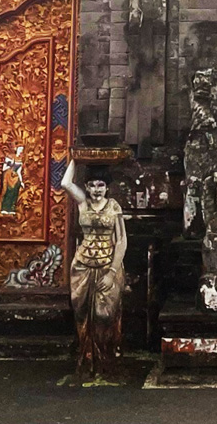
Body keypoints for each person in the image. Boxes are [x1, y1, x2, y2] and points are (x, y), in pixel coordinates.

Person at [61, 160, 128, 380]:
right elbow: (65, 183)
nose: (96, 190)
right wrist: (75, 158)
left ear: (107, 187)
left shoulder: (114, 206)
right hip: (82, 266)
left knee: (103, 313)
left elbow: (121, 241)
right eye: (92, 185)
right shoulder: (83, 203)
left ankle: (107, 361)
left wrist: (112, 272)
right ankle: (87, 361)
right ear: (87, 187)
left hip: (108, 265)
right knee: (81, 313)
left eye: (100, 185)